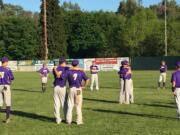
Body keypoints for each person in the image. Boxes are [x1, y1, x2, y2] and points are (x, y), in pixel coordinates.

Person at [66, 60, 89, 125]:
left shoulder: (69, 71)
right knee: (78, 105)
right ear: (78, 64)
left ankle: (68, 120)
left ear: (72, 64)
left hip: (71, 89)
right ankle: (79, 121)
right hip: (78, 89)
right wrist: (84, 86)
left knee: (70, 105)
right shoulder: (81, 72)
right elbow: (87, 79)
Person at [53, 58, 69, 124]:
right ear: (63, 62)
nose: (66, 64)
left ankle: (58, 119)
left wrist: (55, 68)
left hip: (56, 87)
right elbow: (59, 75)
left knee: (56, 104)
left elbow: (56, 74)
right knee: (64, 104)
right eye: (65, 62)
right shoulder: (65, 68)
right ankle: (67, 118)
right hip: (62, 87)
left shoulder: (55, 68)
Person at [0, 57, 14, 124]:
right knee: (8, 103)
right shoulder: (7, 69)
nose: (7, 63)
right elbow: (12, 78)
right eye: (7, 62)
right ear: (5, 62)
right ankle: (7, 118)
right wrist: (10, 81)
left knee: (0, 103)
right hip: (5, 86)